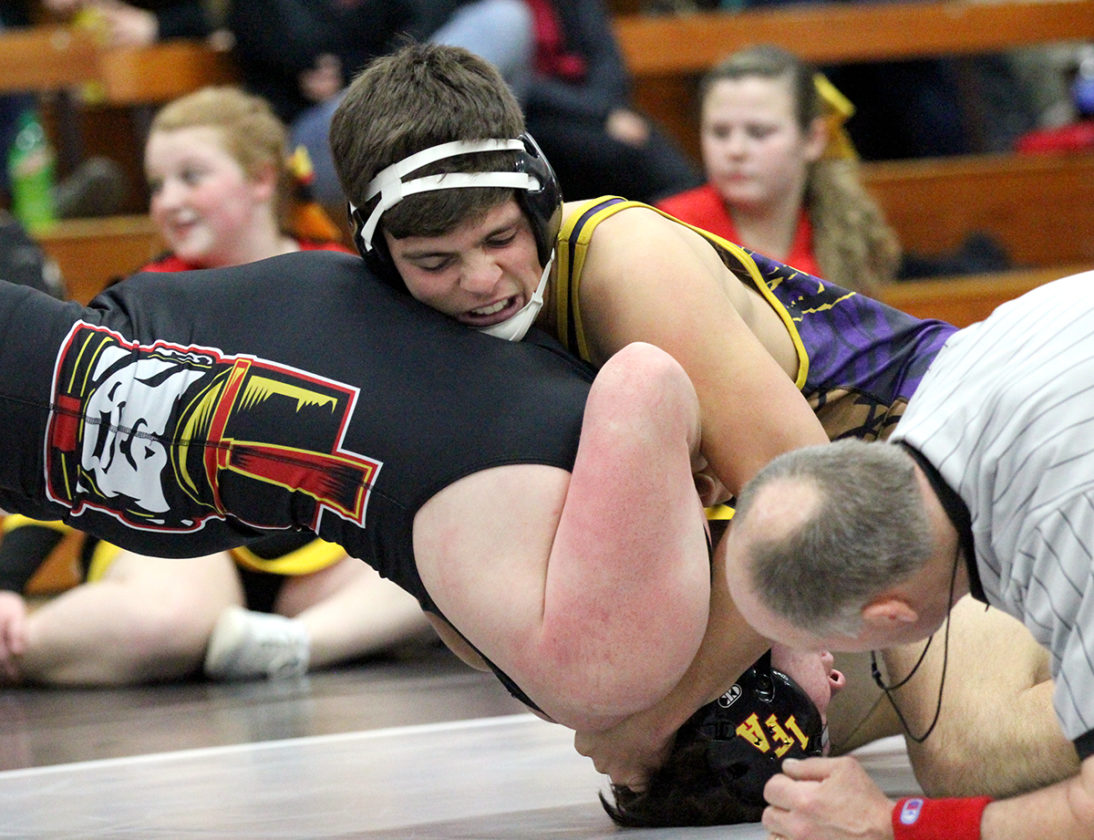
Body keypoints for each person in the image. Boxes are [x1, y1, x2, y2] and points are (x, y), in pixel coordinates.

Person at [327, 42, 1076, 804]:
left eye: (499, 239)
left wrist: (653, 721)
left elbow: (817, 510)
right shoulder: (394, 341)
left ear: (540, 202)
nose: (482, 281)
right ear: (380, 259)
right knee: (707, 749)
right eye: (436, 262)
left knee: (971, 753)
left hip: (953, 462)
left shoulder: (621, 263)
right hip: (858, 539)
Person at [0, 252, 841, 824]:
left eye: (818, 697)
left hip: (116, 395)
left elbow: (647, 378)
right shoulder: (577, 661)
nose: (838, 671)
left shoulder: (622, 661)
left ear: (744, 701)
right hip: (146, 413)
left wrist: (706, 475)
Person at [0, 86, 433, 686]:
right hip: (171, 533)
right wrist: (8, 582)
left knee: (442, 566)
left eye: (191, 177)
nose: (169, 201)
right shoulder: (139, 302)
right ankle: (20, 649)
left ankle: (294, 644)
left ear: (261, 180)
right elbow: (63, 433)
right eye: (157, 186)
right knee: (171, 618)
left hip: (311, 544)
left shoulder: (348, 283)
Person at [723, 270, 1094, 840]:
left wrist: (891, 823)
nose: (837, 676)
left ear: (890, 617)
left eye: (828, 646)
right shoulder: (950, 377)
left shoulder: (1063, 527)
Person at [227, 0, 534, 213]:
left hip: (403, 104)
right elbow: (308, 51)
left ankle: (454, 154)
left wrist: (353, 64)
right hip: (317, 138)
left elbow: (426, 20)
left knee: (501, 17)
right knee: (501, 22)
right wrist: (357, 63)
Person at [655, 44, 900, 293]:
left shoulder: (848, 233)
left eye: (759, 132)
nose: (735, 150)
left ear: (813, 139)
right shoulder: (671, 228)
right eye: (720, 132)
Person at [520, 0, 702, 203]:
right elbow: (517, 84)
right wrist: (601, 114)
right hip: (539, 116)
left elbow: (607, 58)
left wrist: (607, 110)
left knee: (663, 160)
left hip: (602, 105)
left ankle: (693, 212)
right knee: (625, 154)